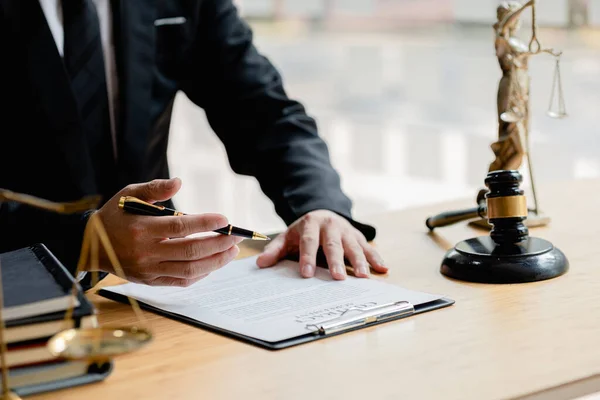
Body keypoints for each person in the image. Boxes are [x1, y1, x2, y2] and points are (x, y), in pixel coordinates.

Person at [0, 0, 387, 287]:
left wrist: (321, 205)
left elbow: (264, 112)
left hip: (161, 289)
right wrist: (83, 242)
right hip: (19, 284)